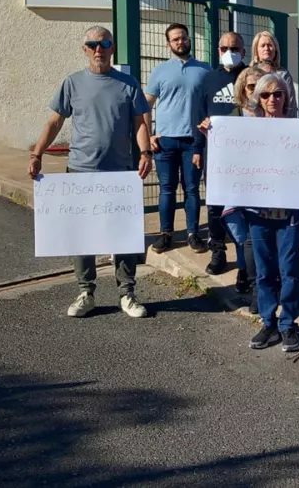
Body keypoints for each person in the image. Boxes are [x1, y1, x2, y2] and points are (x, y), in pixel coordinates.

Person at [28, 26, 154, 319]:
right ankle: (86, 291)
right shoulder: (72, 83)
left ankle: (127, 293)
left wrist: (145, 153)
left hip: (120, 173)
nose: (99, 49)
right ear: (85, 49)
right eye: (93, 44)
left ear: (112, 48)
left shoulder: (128, 83)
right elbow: (55, 121)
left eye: (105, 43)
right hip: (81, 171)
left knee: (122, 234)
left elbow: (139, 124)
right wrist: (37, 154)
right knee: (82, 235)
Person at [209, 73, 299, 352]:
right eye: (266, 95)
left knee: (290, 272)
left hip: (288, 217)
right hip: (258, 216)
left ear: (286, 98)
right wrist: (212, 132)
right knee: (264, 273)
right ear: (257, 99)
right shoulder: (246, 132)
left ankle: (288, 324)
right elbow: (228, 158)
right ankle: (268, 322)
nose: (272, 99)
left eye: (278, 94)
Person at [146, 24, 210, 255]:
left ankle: (194, 234)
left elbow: (214, 103)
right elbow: (147, 104)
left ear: (189, 39)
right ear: (168, 44)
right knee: (166, 189)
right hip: (165, 141)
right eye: (175, 39)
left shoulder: (204, 70)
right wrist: (149, 135)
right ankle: (166, 234)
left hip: (194, 142)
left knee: (192, 189)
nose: (180, 42)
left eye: (183, 38)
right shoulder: (159, 71)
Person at [192, 31, 247, 276]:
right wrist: (196, 148)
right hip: (215, 154)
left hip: (246, 156)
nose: (229, 53)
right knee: (215, 205)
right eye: (224, 48)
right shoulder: (208, 80)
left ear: (243, 52)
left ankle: (245, 256)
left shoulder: (252, 77)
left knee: (243, 206)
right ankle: (218, 251)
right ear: (217, 51)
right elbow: (198, 116)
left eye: (234, 48)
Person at [249, 31, 297, 117]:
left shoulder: (284, 74)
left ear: (275, 49)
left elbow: (291, 105)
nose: (266, 48)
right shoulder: (249, 74)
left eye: (270, 45)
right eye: (262, 45)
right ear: (256, 50)